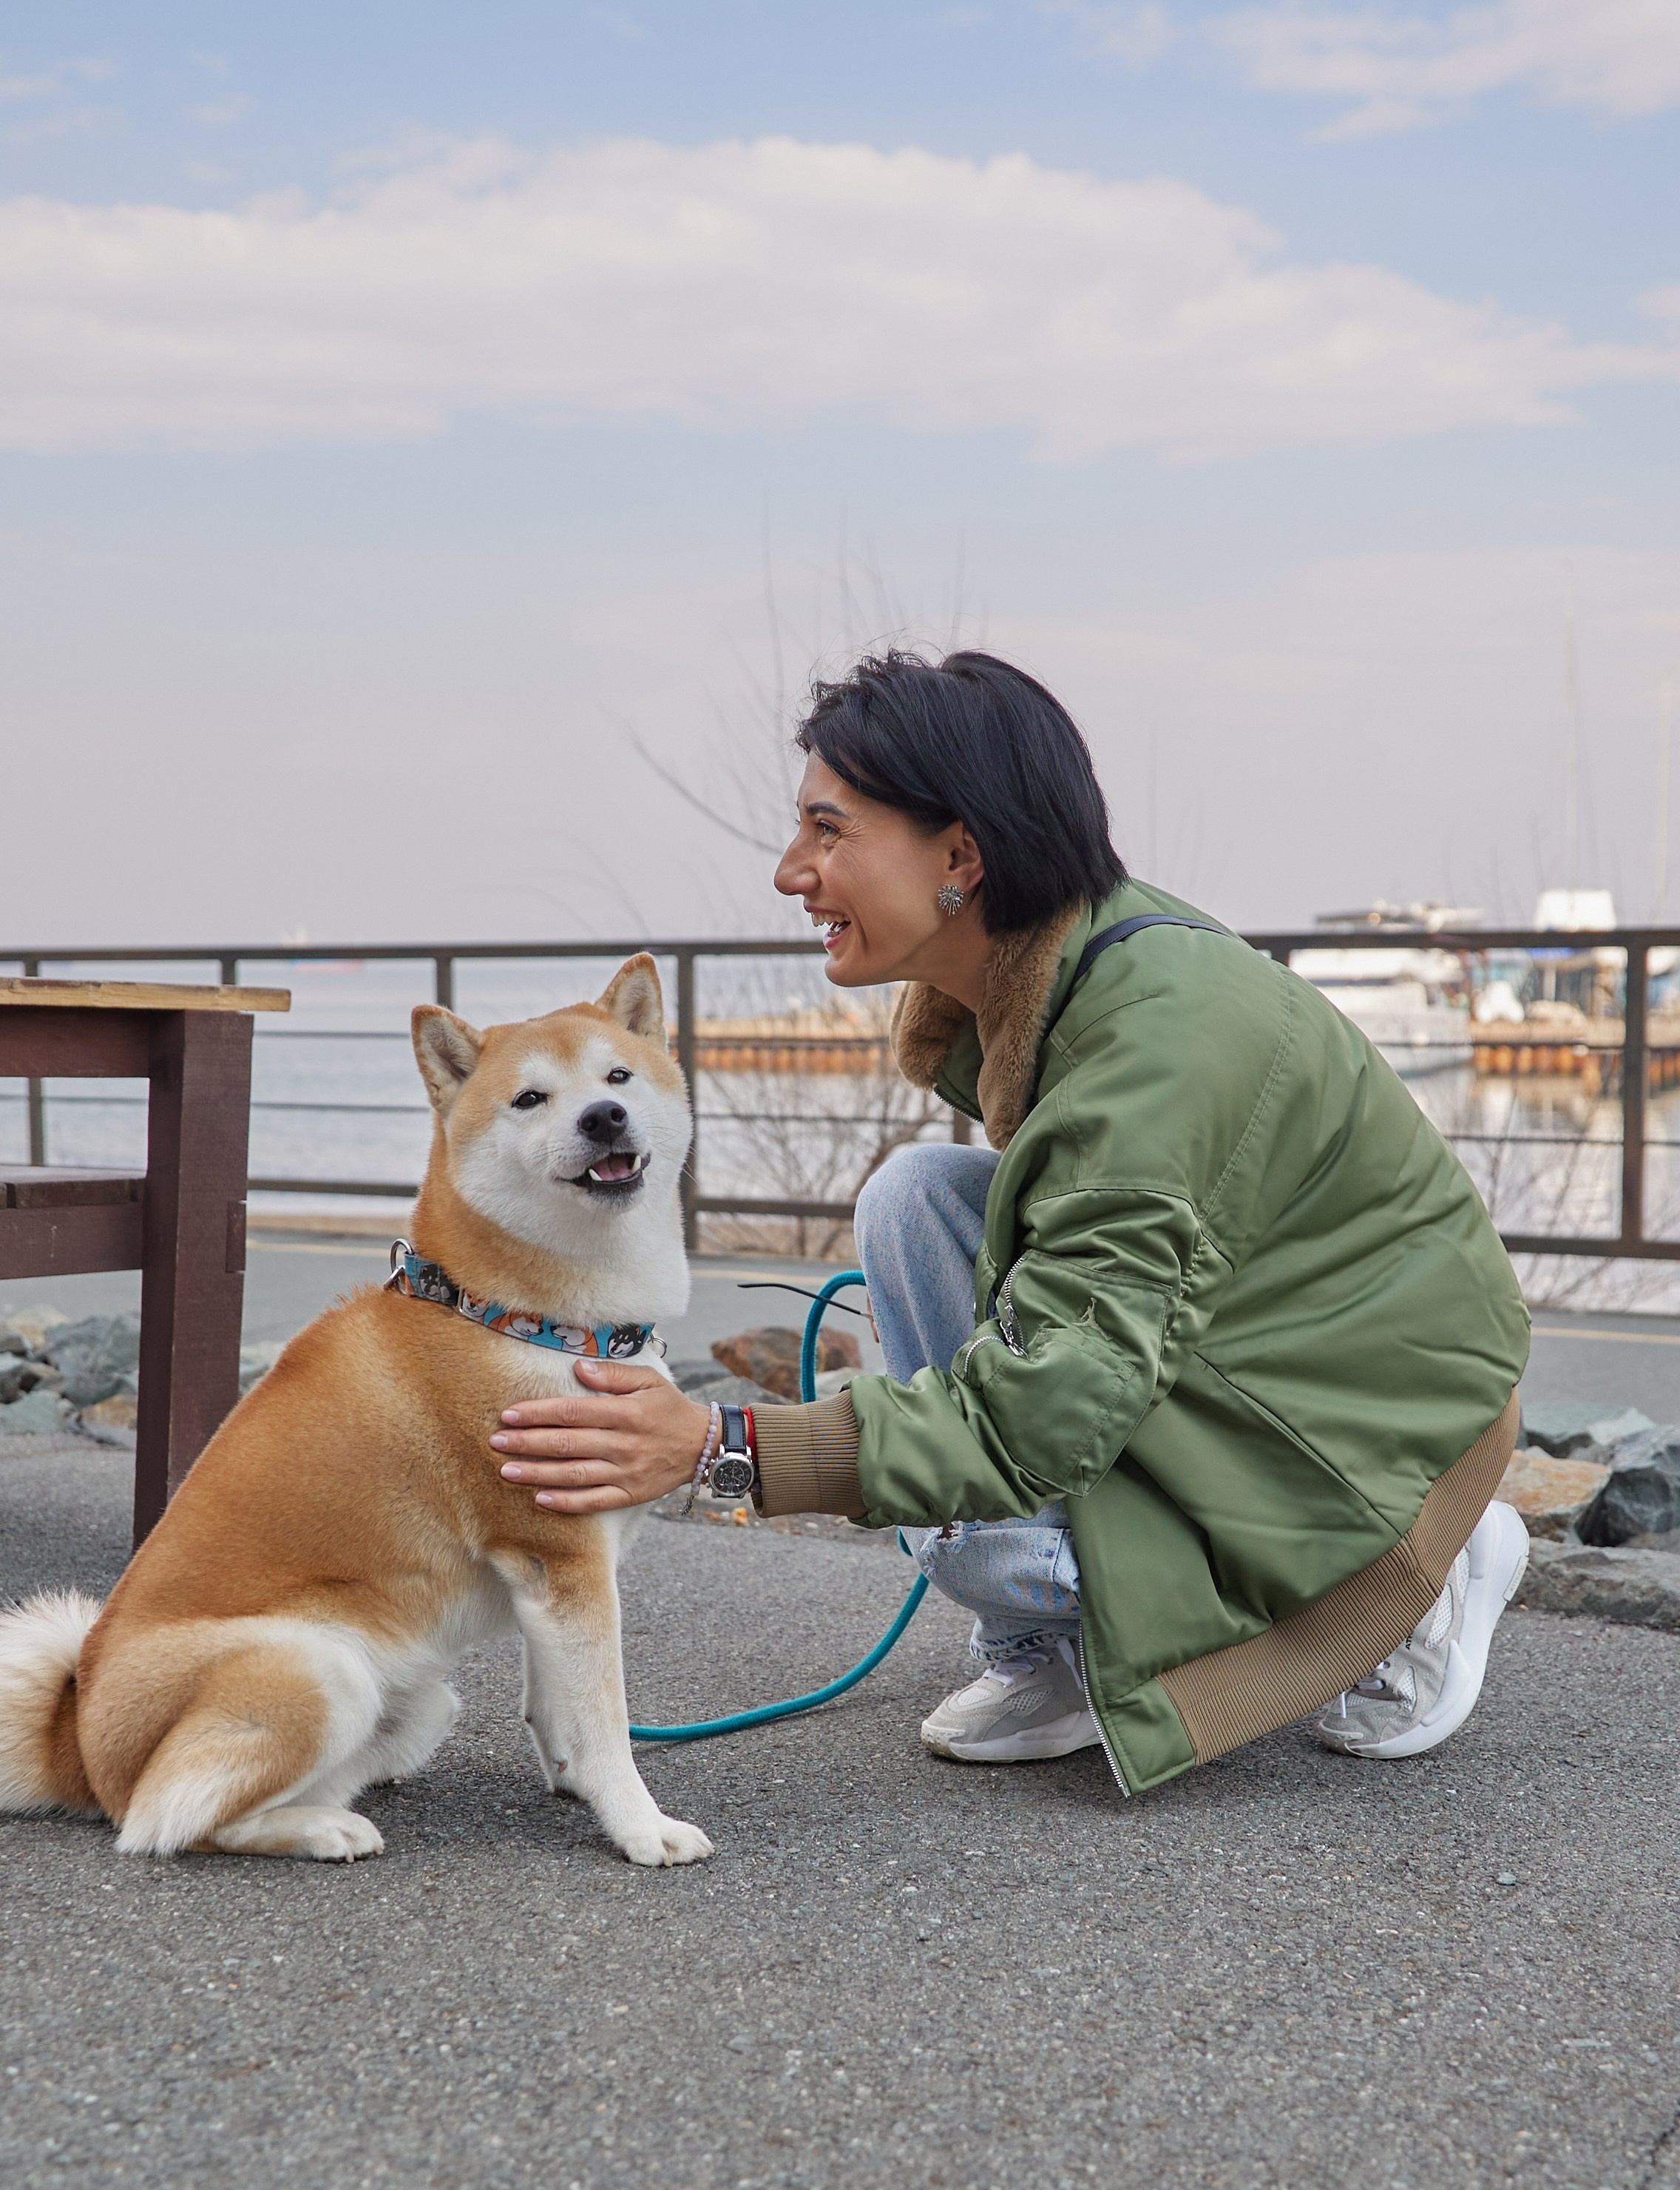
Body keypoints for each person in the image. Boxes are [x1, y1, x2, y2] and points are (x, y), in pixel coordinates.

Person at [490, 649, 1530, 1795]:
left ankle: (1425, 1562)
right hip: (1274, 1354)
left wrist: (722, 1453)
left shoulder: (1155, 1051)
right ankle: (1052, 1645)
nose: (794, 872)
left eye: (828, 831)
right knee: (913, 1192)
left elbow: (1037, 1417)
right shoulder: (1070, 967)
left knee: (974, 1538)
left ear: (962, 857)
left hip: (1379, 1432)